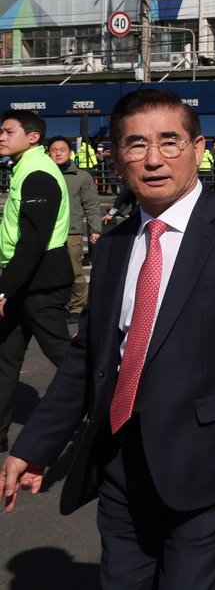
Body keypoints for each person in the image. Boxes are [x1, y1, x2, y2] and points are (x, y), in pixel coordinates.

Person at [1, 88, 215, 589]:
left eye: (170, 142)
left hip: (211, 464)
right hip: (120, 461)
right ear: (117, 159)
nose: (155, 159)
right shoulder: (118, 243)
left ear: (199, 147)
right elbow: (89, 355)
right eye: (137, 145)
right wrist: (35, 444)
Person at [0, 110, 72, 453]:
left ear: (32, 137)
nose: (1, 136)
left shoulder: (38, 172)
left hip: (39, 282)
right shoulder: (24, 168)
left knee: (64, 354)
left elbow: (33, 238)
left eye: (8, 131)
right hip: (23, 279)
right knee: (4, 358)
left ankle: (115, 415)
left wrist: (5, 287)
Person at [49, 136, 103, 320]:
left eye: (62, 149)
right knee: (50, 272)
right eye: (54, 149)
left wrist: (95, 229)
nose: (58, 153)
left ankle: (77, 307)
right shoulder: (43, 174)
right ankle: (56, 304)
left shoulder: (82, 177)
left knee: (74, 271)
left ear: (70, 152)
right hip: (46, 233)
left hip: (72, 232)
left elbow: (92, 205)